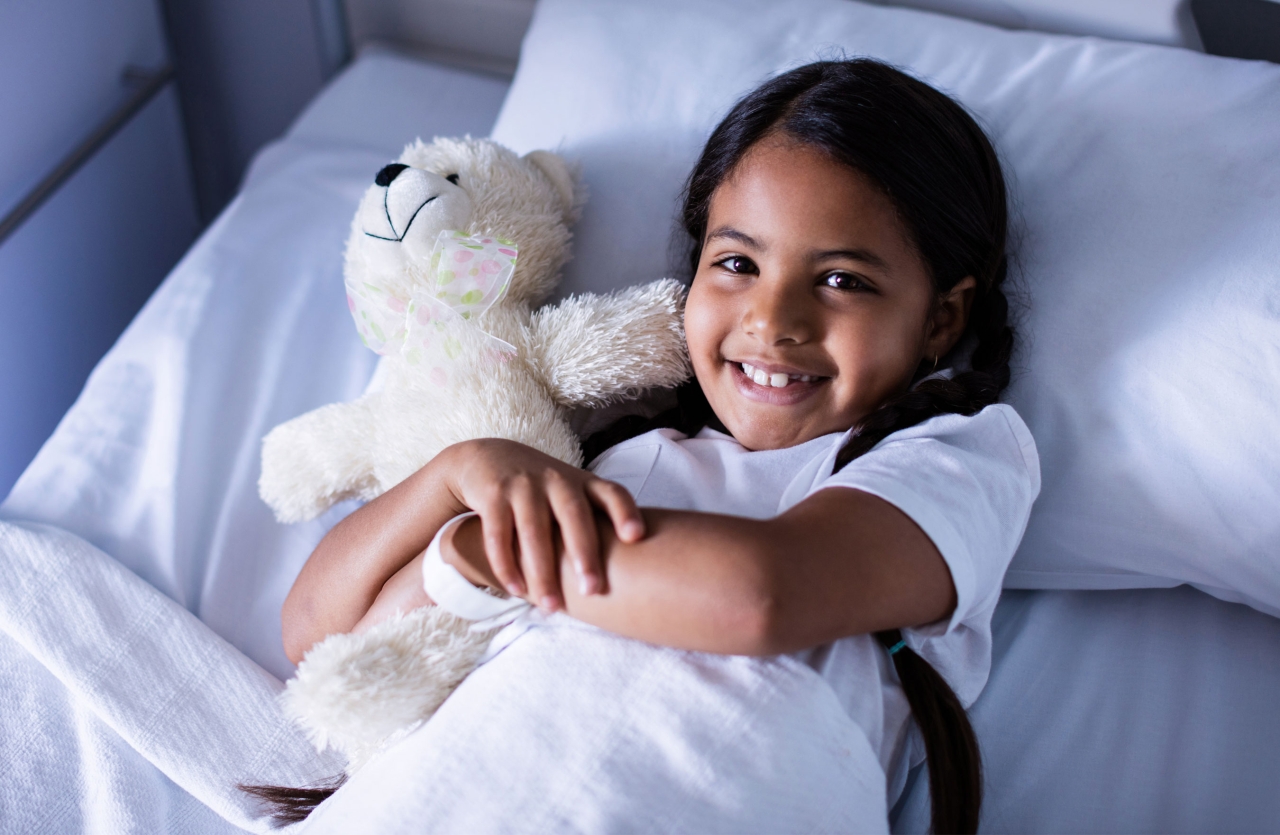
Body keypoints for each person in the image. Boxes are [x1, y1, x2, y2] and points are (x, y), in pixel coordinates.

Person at [263, 58, 1039, 833]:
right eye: (737, 263)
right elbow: (318, 634)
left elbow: (758, 596)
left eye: (842, 280)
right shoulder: (615, 459)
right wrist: (459, 476)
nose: (773, 320)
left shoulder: (955, 459)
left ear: (941, 319)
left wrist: (497, 552)